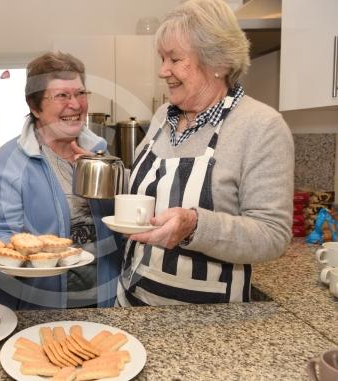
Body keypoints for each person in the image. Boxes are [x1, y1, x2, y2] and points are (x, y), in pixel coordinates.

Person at [116, 0, 294, 306]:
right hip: (132, 302)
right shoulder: (162, 116)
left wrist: (195, 226)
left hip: (204, 320)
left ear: (219, 64)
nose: (163, 71)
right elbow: (147, 190)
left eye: (174, 59)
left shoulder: (261, 126)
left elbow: (272, 234)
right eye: (162, 58)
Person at [0, 51, 122, 310]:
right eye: (62, 96)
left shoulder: (100, 153)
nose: (76, 105)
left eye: (80, 93)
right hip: (38, 309)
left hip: (103, 302)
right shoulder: (9, 162)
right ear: (35, 107)